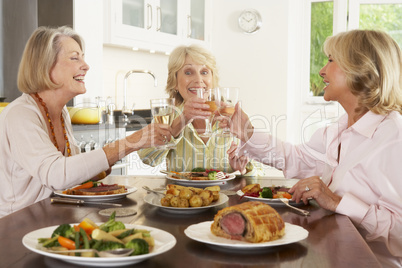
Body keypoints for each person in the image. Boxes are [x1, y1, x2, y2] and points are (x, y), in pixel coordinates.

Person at [227, 30, 402, 267]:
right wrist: (246, 130)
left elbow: (399, 234)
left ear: (360, 68)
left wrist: (338, 202)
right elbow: (295, 158)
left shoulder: (394, 137)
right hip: (333, 253)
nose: (322, 71)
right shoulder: (339, 130)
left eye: (330, 60)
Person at [0, 26, 171, 218]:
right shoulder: (20, 114)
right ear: (45, 66)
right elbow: (57, 175)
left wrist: (100, 168)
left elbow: (70, 176)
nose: (86, 65)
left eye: (83, 57)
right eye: (75, 58)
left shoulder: (61, 112)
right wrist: (132, 142)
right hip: (15, 229)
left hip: (53, 219)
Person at [138, 44, 264, 175]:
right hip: (182, 195)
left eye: (204, 72)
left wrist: (243, 168)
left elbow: (260, 174)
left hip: (226, 195)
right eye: (188, 72)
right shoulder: (168, 116)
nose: (198, 80)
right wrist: (180, 122)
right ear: (174, 82)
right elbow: (147, 158)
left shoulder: (232, 115)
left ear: (212, 79)